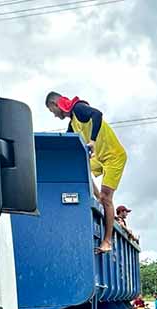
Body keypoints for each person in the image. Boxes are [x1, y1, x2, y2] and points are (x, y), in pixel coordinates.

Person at [45, 92, 128, 254]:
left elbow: (97, 114)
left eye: (51, 111)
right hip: (101, 158)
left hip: (114, 157)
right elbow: (66, 144)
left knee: (106, 197)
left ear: (56, 104)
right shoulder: (73, 123)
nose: (54, 116)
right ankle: (98, 198)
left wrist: (92, 141)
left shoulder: (79, 109)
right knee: (79, 165)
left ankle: (107, 241)